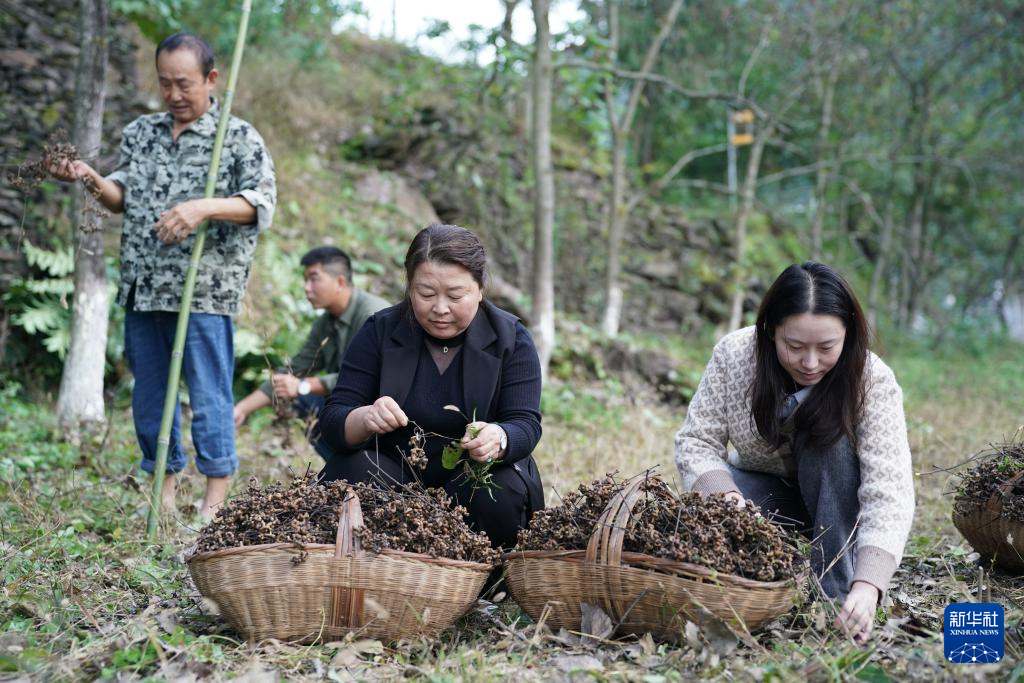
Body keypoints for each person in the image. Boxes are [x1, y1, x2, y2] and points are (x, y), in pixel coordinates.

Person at [48, 32, 277, 520]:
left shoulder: (236, 138)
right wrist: (89, 176)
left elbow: (260, 204)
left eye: (184, 84)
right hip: (144, 285)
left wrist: (201, 208)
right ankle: (163, 492)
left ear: (211, 80)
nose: (173, 94)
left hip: (204, 291)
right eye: (164, 83)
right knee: (151, 394)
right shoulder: (142, 132)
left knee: (209, 392)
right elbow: (122, 196)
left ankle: (214, 504)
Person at [674, 262, 914, 643]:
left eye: (827, 347)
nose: (810, 363)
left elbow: (890, 488)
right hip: (766, 498)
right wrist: (726, 497)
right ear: (770, 331)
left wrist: (869, 585)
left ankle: (834, 597)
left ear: (848, 335)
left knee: (829, 442)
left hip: (840, 504)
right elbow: (696, 441)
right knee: (689, 515)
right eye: (795, 346)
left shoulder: (872, 380)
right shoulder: (735, 356)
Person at [318, 224, 545, 551]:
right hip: (393, 477)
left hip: (472, 475)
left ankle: (485, 581)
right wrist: (365, 417)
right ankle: (372, 568)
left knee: (501, 486)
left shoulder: (511, 339)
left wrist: (500, 437)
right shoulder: (380, 330)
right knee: (347, 471)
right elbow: (333, 419)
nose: (440, 308)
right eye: (425, 294)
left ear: (480, 289)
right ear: (409, 287)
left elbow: (525, 423)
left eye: (455, 296)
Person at [233, 246, 389, 458]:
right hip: (350, 406)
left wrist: (303, 386)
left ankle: (361, 469)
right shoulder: (325, 323)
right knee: (300, 401)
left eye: (314, 279)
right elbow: (294, 370)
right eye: (305, 280)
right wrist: (242, 409)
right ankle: (342, 469)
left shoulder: (373, 315)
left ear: (340, 282)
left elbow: (371, 378)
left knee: (303, 395)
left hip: (382, 410)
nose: (307, 288)